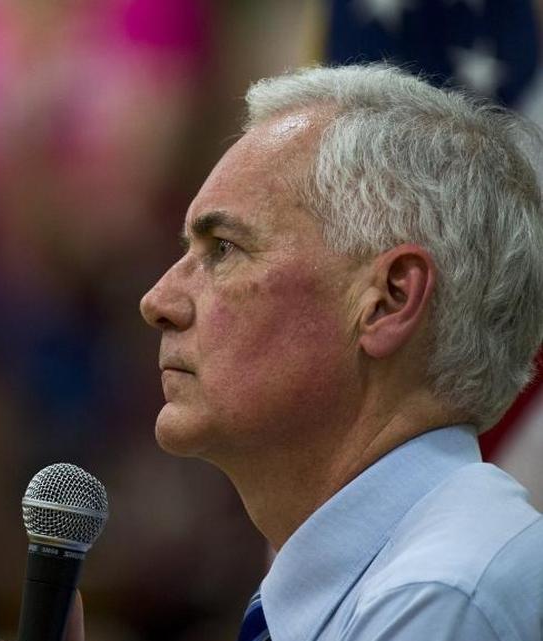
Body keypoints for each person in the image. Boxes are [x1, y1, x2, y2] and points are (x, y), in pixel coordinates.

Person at [131, 64, 543, 641]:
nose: (158, 301)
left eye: (224, 248)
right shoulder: (410, 577)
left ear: (389, 300)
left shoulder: (440, 596)